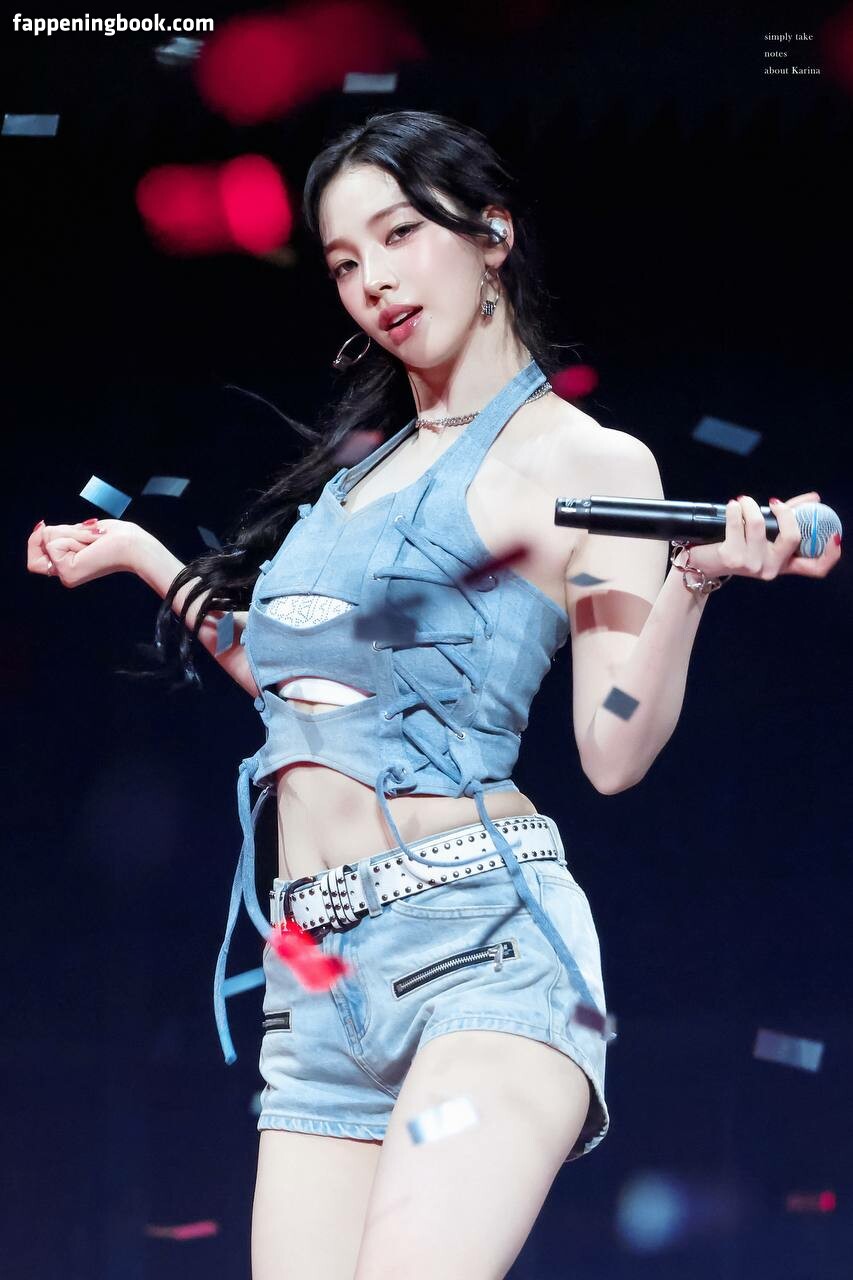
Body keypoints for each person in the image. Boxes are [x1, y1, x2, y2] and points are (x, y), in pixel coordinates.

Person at [26, 110, 840, 1280]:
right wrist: (146, 557)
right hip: (314, 981)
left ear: (491, 233)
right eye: (345, 260)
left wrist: (694, 579)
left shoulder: (587, 461)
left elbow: (613, 750)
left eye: (400, 233)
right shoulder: (357, 476)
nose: (374, 279)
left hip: (487, 956)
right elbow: (301, 692)